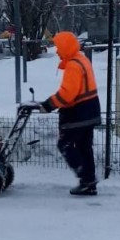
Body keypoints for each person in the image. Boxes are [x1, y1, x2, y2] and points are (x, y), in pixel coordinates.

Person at [37, 31, 102, 196]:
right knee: (84, 147)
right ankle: (89, 182)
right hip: (91, 110)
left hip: (79, 113)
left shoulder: (73, 65)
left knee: (65, 144)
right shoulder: (82, 59)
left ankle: (85, 176)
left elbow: (67, 94)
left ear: (66, 47)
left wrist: (48, 105)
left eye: (58, 47)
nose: (57, 51)